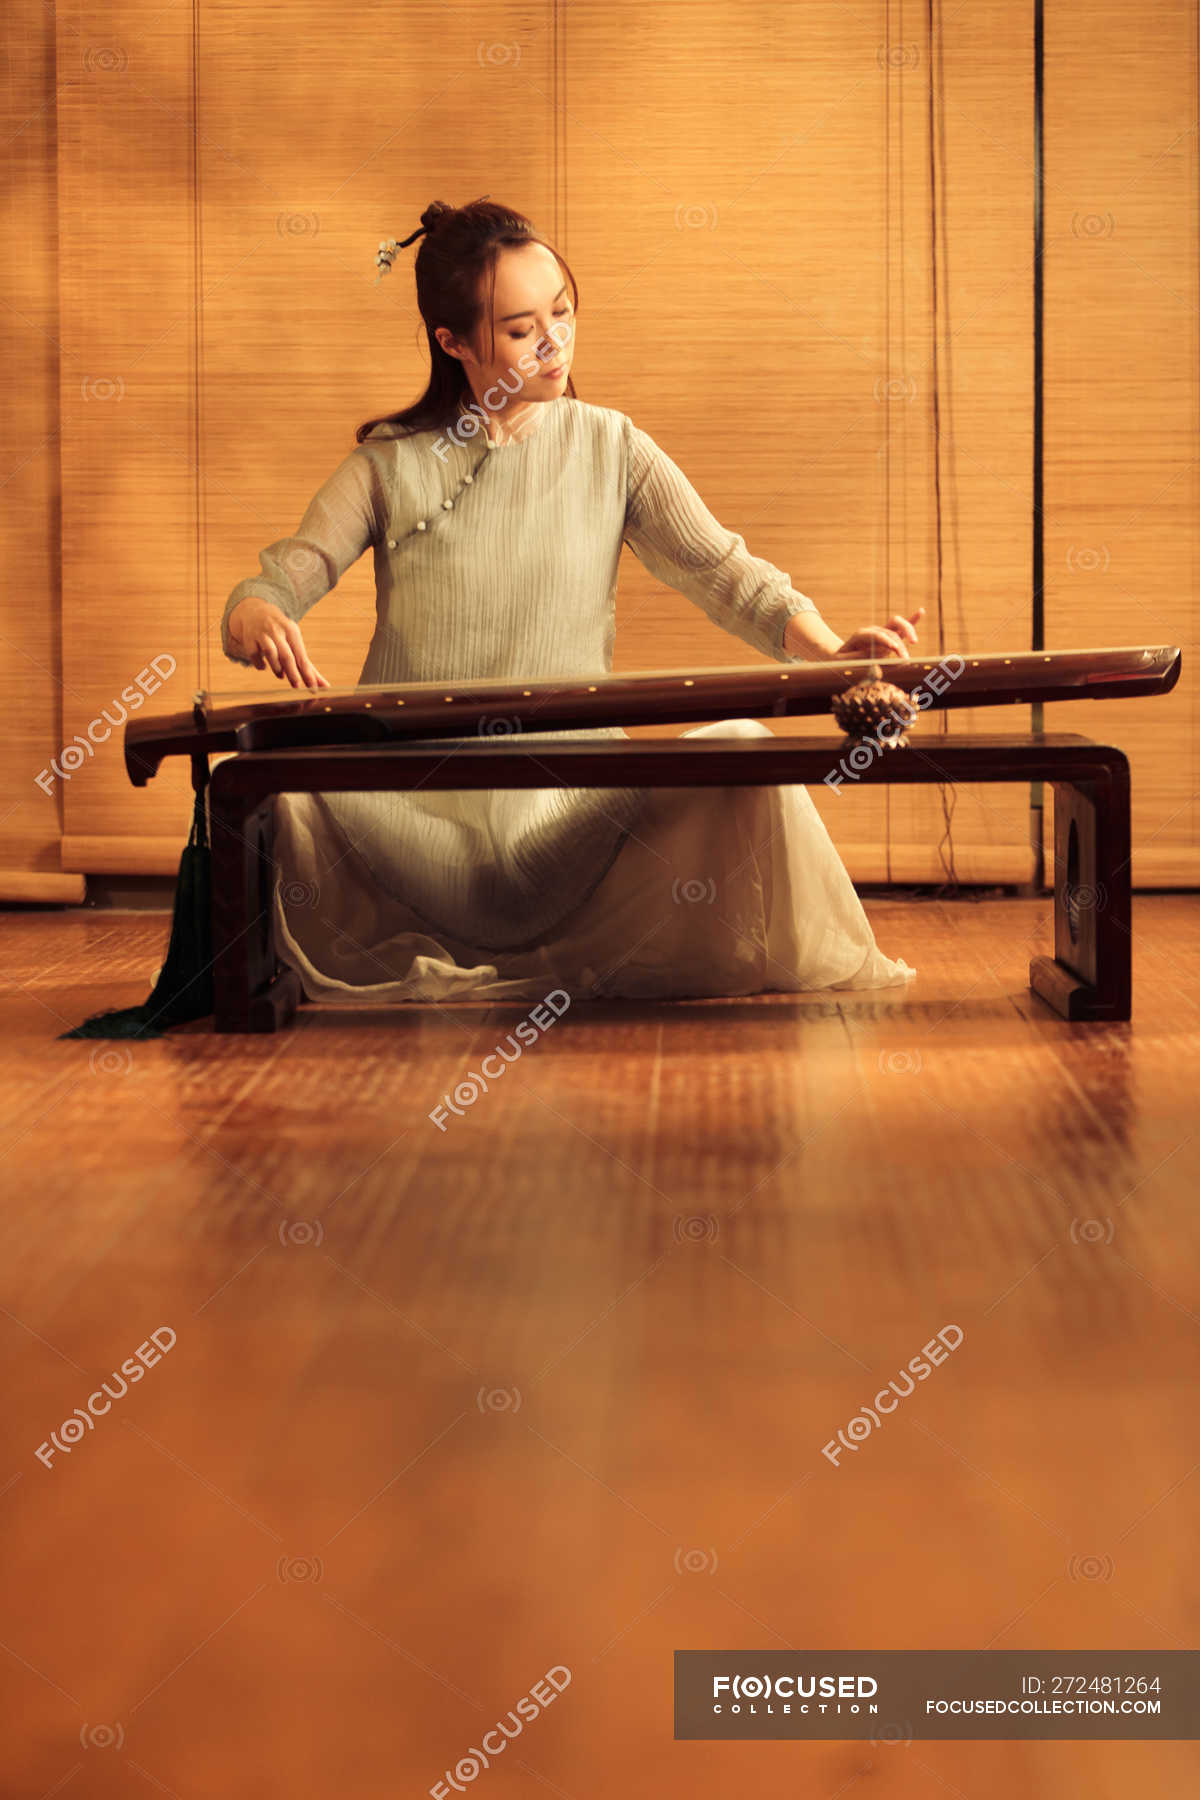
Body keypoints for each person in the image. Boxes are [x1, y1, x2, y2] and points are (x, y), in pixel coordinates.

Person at [220, 197, 921, 1005]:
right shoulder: (388, 467)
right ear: (453, 343)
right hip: (409, 808)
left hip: (568, 805)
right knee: (274, 775)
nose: (556, 340)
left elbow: (727, 573)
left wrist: (832, 654)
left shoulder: (611, 445)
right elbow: (276, 581)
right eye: (522, 329)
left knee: (739, 742)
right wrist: (258, 618)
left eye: (564, 311)